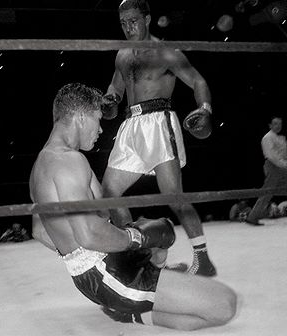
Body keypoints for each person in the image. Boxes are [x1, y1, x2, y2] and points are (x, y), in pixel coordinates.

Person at [29, 82, 236, 330]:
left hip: (93, 272)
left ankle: (135, 303)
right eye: (97, 119)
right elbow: (88, 234)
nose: (100, 129)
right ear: (81, 117)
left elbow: (40, 231)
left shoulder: (41, 164)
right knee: (224, 305)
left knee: (162, 239)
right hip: (108, 275)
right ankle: (131, 312)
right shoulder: (70, 162)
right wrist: (135, 238)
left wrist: (78, 258)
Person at [100, 0, 216, 276]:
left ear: (148, 19)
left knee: (174, 196)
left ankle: (203, 259)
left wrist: (204, 109)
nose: (129, 27)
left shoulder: (166, 52)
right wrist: (109, 102)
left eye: (134, 21)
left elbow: (197, 81)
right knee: (109, 193)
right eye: (124, 22)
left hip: (158, 122)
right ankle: (141, 259)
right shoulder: (122, 54)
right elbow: (115, 88)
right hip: (130, 125)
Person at [246, 116, 287, 225]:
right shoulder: (267, 137)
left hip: (282, 166)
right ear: (270, 125)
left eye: (280, 124)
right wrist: (285, 164)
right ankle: (252, 217)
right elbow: (272, 156)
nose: (278, 126)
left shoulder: (281, 138)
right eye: (275, 123)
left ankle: (252, 216)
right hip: (274, 166)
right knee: (267, 192)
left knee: (270, 191)